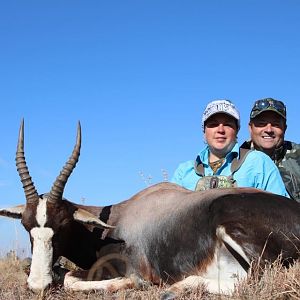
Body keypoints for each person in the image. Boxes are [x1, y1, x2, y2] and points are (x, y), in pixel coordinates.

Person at [171, 99, 289, 197]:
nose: (220, 130)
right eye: (213, 125)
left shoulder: (259, 163)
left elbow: (282, 211)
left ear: (237, 130)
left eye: (228, 124)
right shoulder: (184, 172)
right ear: (204, 132)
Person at [241, 97, 300, 201]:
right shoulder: (235, 160)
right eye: (261, 124)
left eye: (275, 124)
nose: (269, 129)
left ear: (284, 129)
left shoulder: (297, 155)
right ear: (250, 128)